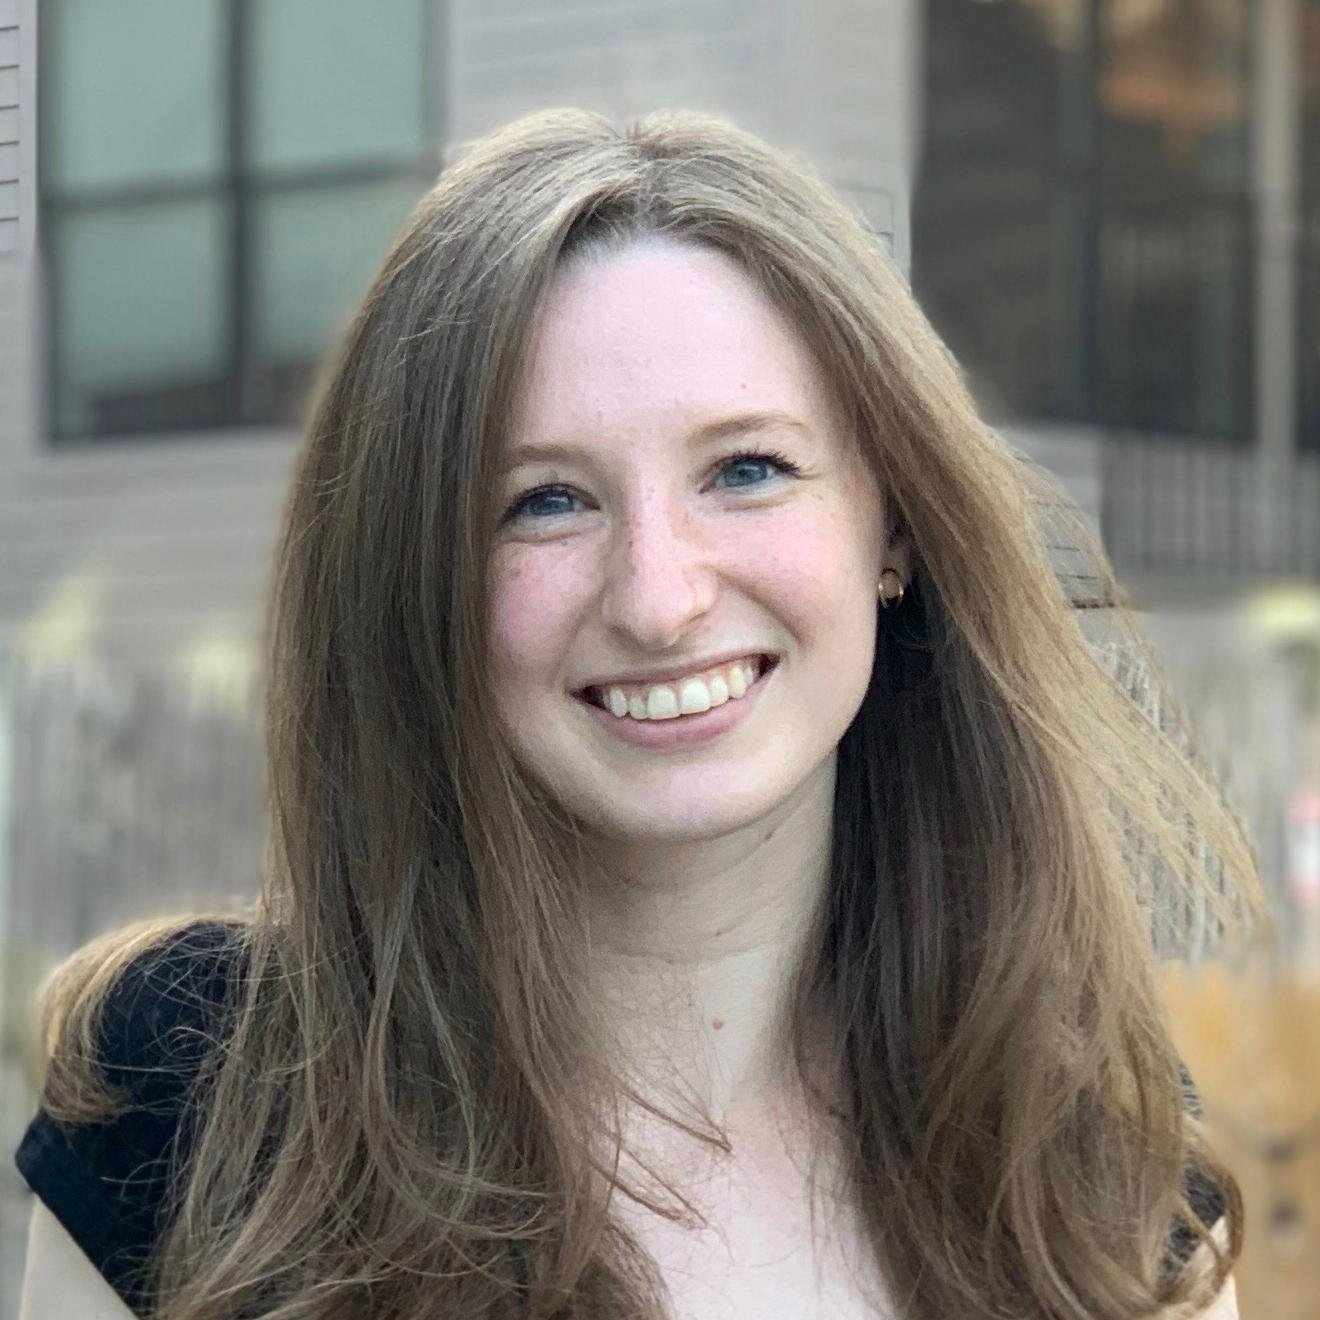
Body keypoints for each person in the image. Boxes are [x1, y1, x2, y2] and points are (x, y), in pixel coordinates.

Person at [14, 108, 1264, 1320]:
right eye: (545, 502)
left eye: (747, 470)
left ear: (892, 527)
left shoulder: (1088, 1166)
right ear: (417, 579)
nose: (659, 601)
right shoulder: (194, 1103)